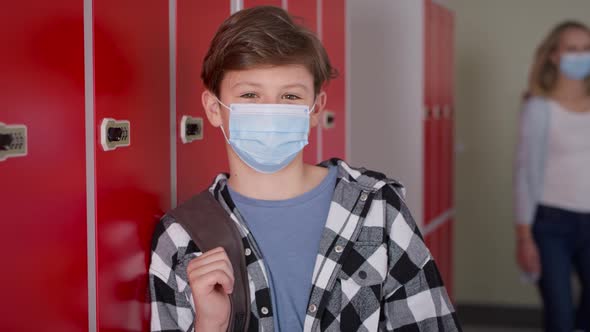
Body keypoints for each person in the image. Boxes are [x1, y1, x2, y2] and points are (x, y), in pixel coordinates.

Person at [149, 6, 459, 332]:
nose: (270, 111)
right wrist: (210, 324)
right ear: (214, 109)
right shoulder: (181, 240)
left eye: (290, 96)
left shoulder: (378, 210)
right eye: (250, 95)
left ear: (315, 109)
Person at [515, 20, 590, 332]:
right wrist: (524, 237)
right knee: (559, 318)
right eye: (572, 49)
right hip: (551, 225)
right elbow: (524, 174)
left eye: (587, 49)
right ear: (553, 56)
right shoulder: (538, 108)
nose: (581, 55)